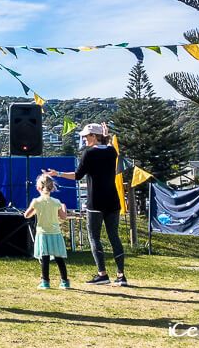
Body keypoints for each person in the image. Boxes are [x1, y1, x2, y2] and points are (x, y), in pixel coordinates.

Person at [47, 122, 128, 286]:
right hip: (113, 201)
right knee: (114, 238)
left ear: (94, 136)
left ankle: (102, 274)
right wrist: (107, 135)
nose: (84, 139)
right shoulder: (112, 152)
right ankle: (121, 275)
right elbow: (110, 145)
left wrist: (58, 174)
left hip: (95, 201)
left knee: (94, 237)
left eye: (86, 136)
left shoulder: (88, 154)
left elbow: (77, 176)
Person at [25, 173, 69, 289]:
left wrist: (35, 210)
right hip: (55, 233)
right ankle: (64, 281)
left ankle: (45, 282)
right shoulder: (56, 202)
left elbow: (26, 215)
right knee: (59, 258)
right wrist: (64, 207)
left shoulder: (36, 201)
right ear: (52, 187)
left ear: (38, 187)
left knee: (44, 258)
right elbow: (63, 217)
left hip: (42, 233)